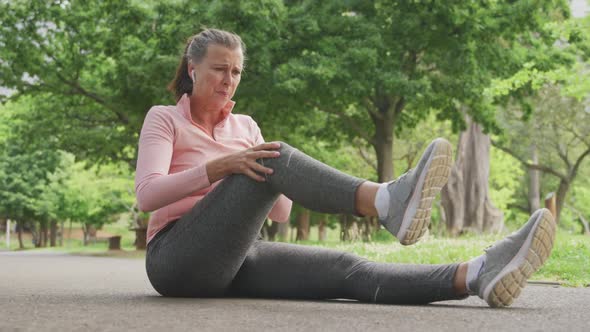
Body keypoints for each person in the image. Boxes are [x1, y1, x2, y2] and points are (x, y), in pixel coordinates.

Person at [135, 28, 556, 308]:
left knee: (345, 269)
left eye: (237, 71)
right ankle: (387, 200)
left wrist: (264, 176)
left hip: (235, 257)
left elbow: (279, 213)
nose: (229, 79)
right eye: (219, 69)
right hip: (176, 259)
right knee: (275, 155)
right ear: (193, 69)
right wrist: (224, 167)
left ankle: (477, 275)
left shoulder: (246, 126)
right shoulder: (164, 119)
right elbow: (147, 195)